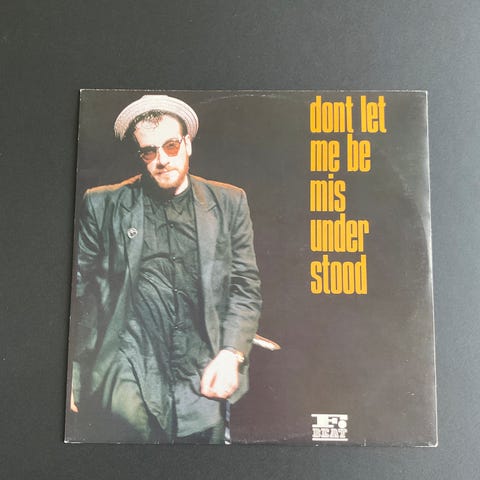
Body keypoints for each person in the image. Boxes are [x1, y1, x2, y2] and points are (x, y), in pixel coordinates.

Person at [68, 95, 262, 444]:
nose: (162, 159)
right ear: (140, 156)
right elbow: (80, 294)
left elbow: (245, 286)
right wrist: (73, 372)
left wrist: (231, 353)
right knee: (132, 435)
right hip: (129, 356)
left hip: (201, 359)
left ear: (187, 144)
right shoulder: (102, 204)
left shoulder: (229, 202)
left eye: (171, 146)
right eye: (149, 151)